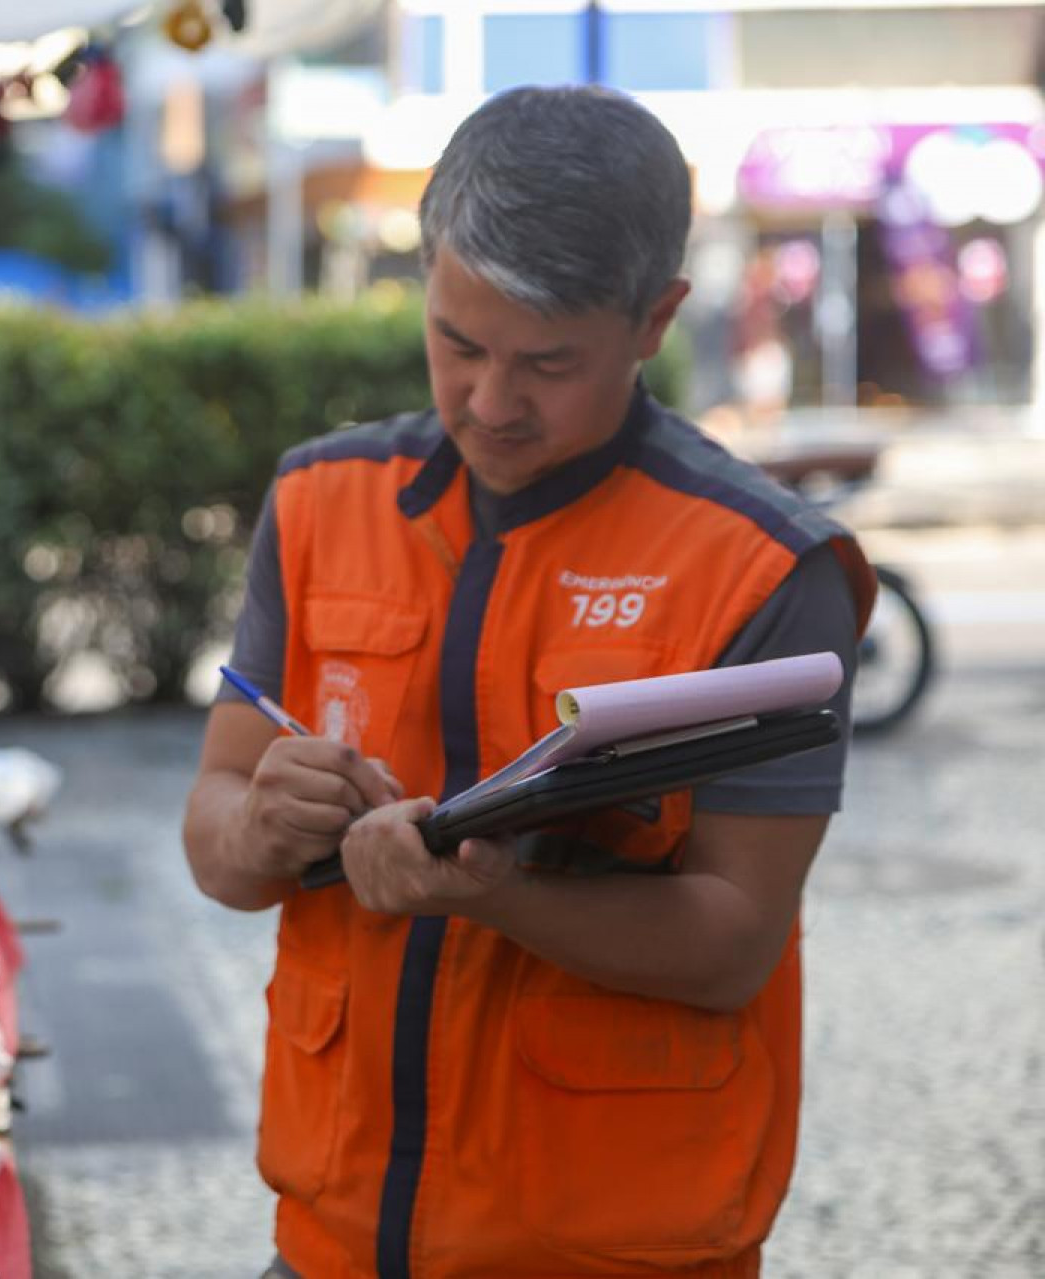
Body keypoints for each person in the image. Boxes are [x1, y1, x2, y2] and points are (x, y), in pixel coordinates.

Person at [183, 87, 876, 1279]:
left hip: (616, 1245)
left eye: (548, 363)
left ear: (658, 317)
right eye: (458, 343)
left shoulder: (763, 567)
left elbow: (730, 941)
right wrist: (259, 821)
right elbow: (213, 831)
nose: (491, 404)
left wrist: (491, 893)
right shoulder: (319, 502)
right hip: (330, 1236)